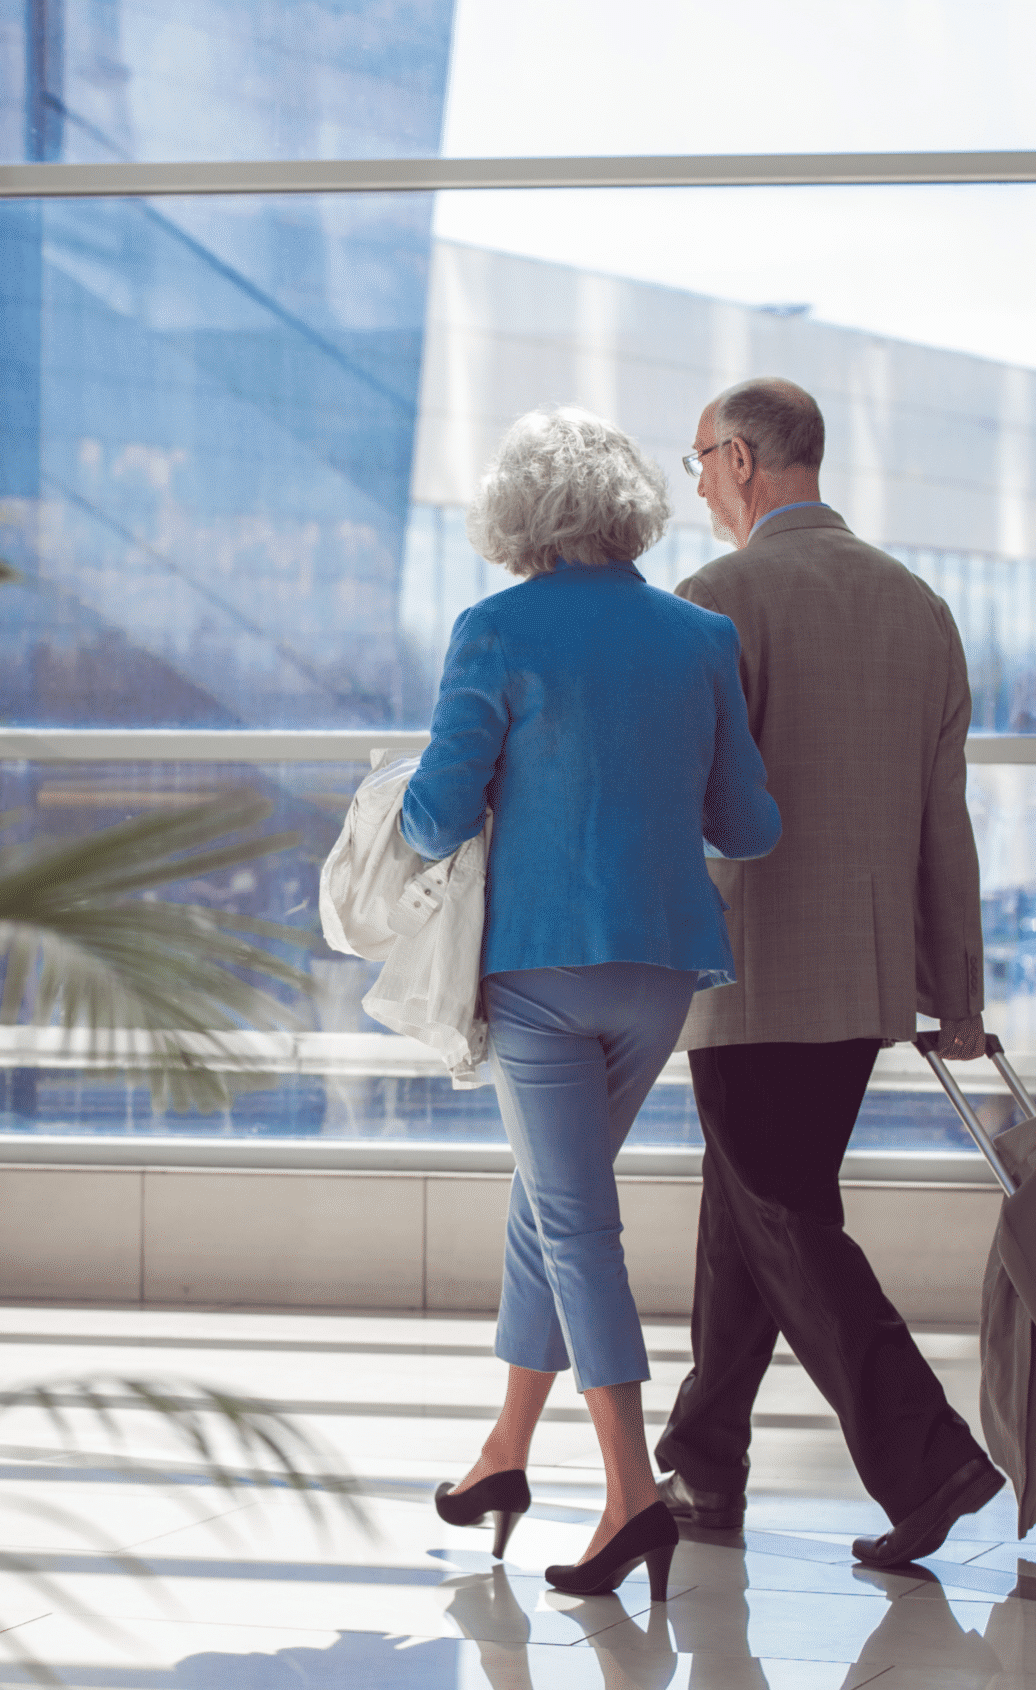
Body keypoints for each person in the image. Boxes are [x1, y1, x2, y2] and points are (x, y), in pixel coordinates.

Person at [405, 405, 781, 1597]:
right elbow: (747, 825)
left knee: (574, 1222)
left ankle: (628, 1496)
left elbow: (433, 818)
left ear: (517, 517)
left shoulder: (495, 630)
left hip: (541, 977)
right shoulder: (699, 637)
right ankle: (503, 1457)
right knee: (547, 1199)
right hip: (662, 973)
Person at [655, 377, 1005, 1567]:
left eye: (700, 459)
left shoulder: (716, 601)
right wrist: (954, 995)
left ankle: (931, 1459)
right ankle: (701, 1464)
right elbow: (943, 825)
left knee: (784, 1218)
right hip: (860, 987)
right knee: (747, 1210)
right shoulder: (919, 608)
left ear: (744, 458)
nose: (694, 482)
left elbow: (683, 802)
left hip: (747, 976)